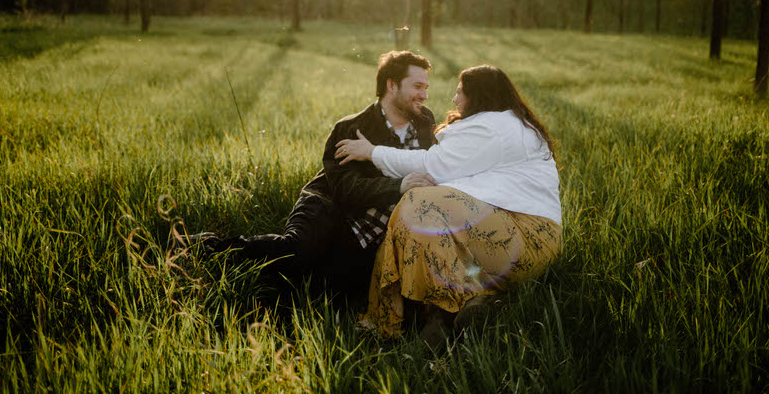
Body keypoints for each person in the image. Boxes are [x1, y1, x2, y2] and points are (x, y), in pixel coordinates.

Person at [334, 65, 562, 345]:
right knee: (420, 213)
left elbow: (433, 166)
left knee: (419, 203)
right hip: (518, 236)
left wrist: (372, 152)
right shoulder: (506, 122)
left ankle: (422, 314)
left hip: (523, 235)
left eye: (459, 93)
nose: (454, 100)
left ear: (477, 96)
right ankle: (463, 307)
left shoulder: (493, 128)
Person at [192, 51, 438, 300]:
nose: (425, 95)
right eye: (417, 86)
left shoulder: (424, 121)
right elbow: (346, 189)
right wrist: (399, 185)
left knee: (329, 292)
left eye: (426, 87)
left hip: (369, 228)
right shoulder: (351, 127)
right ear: (391, 85)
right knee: (296, 251)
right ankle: (204, 247)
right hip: (327, 205)